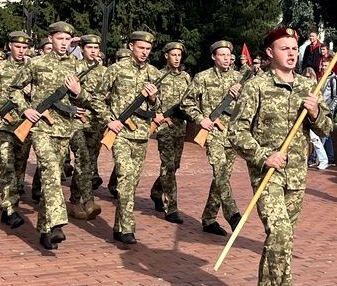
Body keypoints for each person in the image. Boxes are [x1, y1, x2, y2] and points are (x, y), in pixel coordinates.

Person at [228, 26, 332, 286]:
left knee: (279, 241)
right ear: (270, 52)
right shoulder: (256, 86)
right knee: (281, 234)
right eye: (284, 47)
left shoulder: (307, 85)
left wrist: (315, 113)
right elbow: (236, 132)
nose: (290, 52)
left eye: (294, 47)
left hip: (297, 177)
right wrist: (263, 156)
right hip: (267, 176)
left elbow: (327, 128)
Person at [12, 21, 88, 251]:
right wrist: (25, 109)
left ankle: (45, 230)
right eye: (59, 39)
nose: (63, 43)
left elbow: (86, 101)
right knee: (51, 172)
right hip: (41, 129)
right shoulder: (36, 63)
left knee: (49, 178)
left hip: (64, 129)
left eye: (67, 40)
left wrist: (78, 92)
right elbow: (14, 89)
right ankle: (57, 223)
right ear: (51, 39)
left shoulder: (77, 66)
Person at [100, 30, 161, 246]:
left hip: (142, 134)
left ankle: (119, 225)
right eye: (141, 48)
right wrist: (109, 119)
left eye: (148, 49)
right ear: (131, 46)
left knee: (132, 182)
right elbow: (97, 98)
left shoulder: (154, 73)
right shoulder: (116, 70)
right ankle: (127, 227)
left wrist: (153, 98)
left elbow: (159, 107)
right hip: (121, 133)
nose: (144, 52)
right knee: (125, 176)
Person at [181, 40, 246, 237]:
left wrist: (239, 92)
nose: (226, 58)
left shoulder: (239, 78)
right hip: (214, 134)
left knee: (222, 176)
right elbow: (186, 102)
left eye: (228, 55)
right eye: (222, 55)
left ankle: (209, 218)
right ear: (213, 57)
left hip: (232, 134)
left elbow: (248, 104)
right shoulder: (203, 77)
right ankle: (233, 213)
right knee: (220, 171)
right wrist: (201, 119)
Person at [0, 31, 35, 229]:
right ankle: (10, 209)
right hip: (3, 127)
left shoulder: (33, 69)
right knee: (7, 167)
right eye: (18, 47)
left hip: (24, 126)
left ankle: (11, 204)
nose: (21, 51)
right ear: (9, 46)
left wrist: (33, 92)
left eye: (24, 48)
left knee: (20, 168)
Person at [150, 41, 192, 225]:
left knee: (174, 165)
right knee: (168, 166)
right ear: (166, 55)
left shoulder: (185, 77)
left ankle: (156, 191)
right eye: (173, 55)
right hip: (164, 126)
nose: (176, 58)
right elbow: (151, 100)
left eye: (179, 55)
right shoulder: (158, 76)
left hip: (179, 126)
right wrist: (158, 115)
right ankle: (171, 207)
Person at [67, 35, 108, 220]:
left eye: (96, 47)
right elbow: (64, 94)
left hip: (96, 123)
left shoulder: (105, 72)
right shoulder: (74, 68)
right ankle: (88, 201)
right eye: (89, 47)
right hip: (77, 122)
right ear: (82, 49)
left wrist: (81, 93)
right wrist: (71, 108)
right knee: (82, 158)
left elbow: (106, 99)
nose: (93, 51)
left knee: (88, 163)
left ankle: (74, 202)